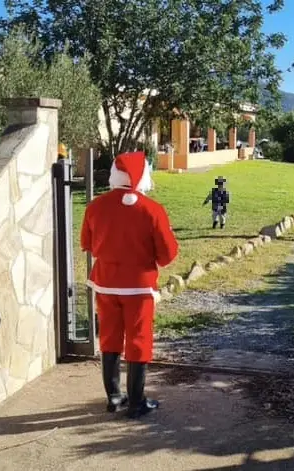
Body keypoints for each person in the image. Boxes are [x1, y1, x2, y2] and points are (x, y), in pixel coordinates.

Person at [80, 151, 179, 419]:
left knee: (109, 337)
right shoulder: (152, 210)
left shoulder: (95, 206)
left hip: (105, 284)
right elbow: (168, 255)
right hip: (139, 287)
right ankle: (137, 401)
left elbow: (87, 244)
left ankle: (113, 396)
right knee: (138, 339)